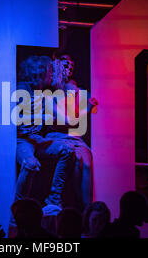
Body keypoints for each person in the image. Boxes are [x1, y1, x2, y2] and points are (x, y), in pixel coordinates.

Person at [15, 55, 76, 208]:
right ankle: (17, 210)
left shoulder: (43, 92)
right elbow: (24, 118)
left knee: (66, 150)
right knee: (30, 164)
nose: (52, 75)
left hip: (36, 139)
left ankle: (53, 201)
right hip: (22, 140)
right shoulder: (23, 88)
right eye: (50, 71)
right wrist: (47, 115)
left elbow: (67, 119)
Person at [47, 53, 98, 210]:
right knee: (76, 160)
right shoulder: (50, 91)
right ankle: (79, 206)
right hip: (58, 136)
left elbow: (76, 121)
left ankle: (87, 210)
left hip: (75, 137)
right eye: (64, 65)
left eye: (70, 66)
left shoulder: (76, 90)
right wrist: (87, 108)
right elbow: (67, 121)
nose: (67, 69)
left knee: (87, 163)